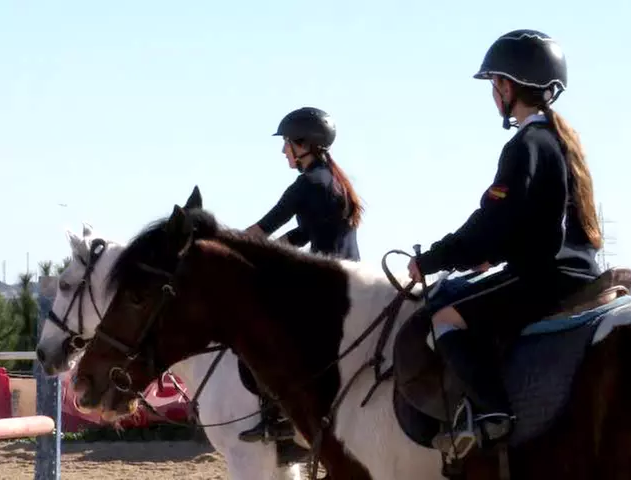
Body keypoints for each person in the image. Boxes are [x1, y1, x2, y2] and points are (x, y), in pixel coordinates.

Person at [406, 29, 603, 460]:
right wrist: (487, 257)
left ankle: (493, 414)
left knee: (445, 319)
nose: (493, 94)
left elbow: (491, 220)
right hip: (576, 267)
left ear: (507, 87)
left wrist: (434, 259)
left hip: (544, 276)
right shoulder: (558, 141)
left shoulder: (525, 145)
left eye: (494, 85)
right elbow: (527, 218)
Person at [238, 106, 364, 443]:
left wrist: (218, 245)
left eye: (286, 145)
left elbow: (262, 229)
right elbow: (305, 233)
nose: (283, 152)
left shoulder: (306, 184)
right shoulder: (333, 180)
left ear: (303, 143)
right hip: (352, 275)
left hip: (324, 283)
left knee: (255, 332)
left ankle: (275, 417)